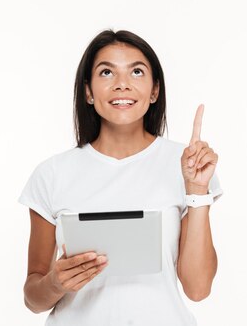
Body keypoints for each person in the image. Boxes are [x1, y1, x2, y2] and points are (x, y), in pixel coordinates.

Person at [18, 29, 223, 325]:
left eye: (137, 72)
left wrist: (196, 189)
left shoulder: (187, 164)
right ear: (88, 91)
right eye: (106, 73)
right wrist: (56, 282)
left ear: (154, 90)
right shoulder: (52, 174)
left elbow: (198, 288)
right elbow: (32, 298)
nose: (122, 85)